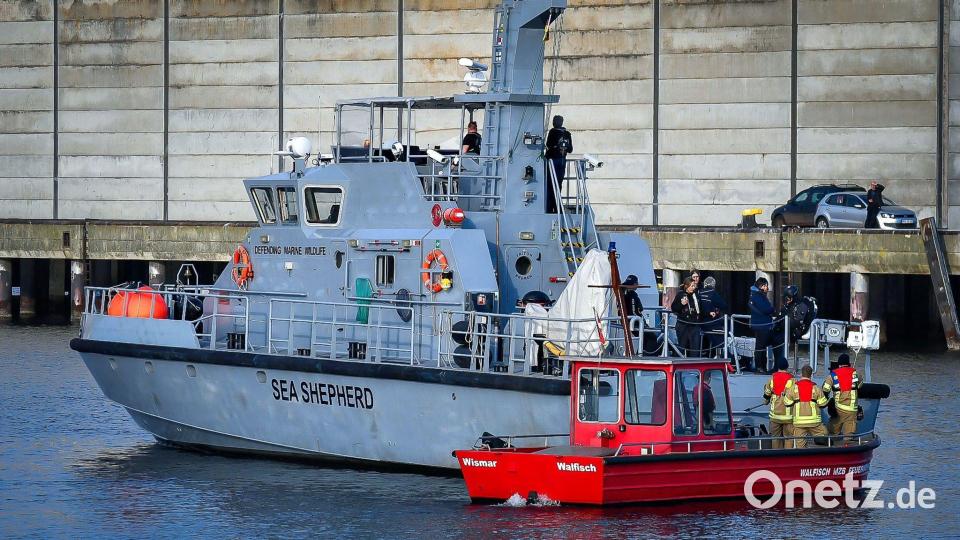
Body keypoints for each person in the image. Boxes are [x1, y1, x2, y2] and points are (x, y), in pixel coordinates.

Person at [783, 364, 829, 449]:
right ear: (811, 375)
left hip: (799, 423)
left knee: (800, 446)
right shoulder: (816, 388)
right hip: (814, 423)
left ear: (801, 374)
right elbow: (823, 404)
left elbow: (787, 403)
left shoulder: (793, 388)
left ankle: (802, 460)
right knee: (825, 435)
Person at [822, 353, 861, 443]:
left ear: (839, 364)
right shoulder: (856, 373)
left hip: (838, 409)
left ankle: (832, 450)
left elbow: (825, 390)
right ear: (849, 364)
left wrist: (828, 402)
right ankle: (847, 449)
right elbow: (859, 385)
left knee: (832, 432)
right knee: (849, 437)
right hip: (852, 410)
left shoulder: (832, 375)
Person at [749, 277, 785, 372]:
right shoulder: (758, 296)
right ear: (761, 286)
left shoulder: (756, 295)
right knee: (760, 347)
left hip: (762, 325)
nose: (767, 288)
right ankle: (760, 367)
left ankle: (765, 367)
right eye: (765, 285)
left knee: (762, 346)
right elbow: (766, 309)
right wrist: (773, 309)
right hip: (761, 326)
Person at [762, 358, 794, 449]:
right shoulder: (792, 380)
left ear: (777, 367)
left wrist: (766, 400)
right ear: (787, 367)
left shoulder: (772, 379)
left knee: (775, 438)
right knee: (788, 438)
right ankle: (788, 458)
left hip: (775, 416)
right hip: (788, 416)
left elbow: (767, 393)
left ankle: (777, 458)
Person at [545, 115, 573, 214]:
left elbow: (548, 145)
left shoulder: (552, 132)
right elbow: (570, 149)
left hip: (553, 161)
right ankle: (556, 207)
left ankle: (549, 207)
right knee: (558, 184)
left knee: (550, 184)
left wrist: (556, 147)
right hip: (562, 161)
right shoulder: (567, 134)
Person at [671, 277, 703, 357]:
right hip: (683, 324)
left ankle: (694, 365)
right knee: (681, 346)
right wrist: (682, 304)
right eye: (692, 286)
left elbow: (701, 307)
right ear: (686, 286)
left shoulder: (696, 295)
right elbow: (674, 308)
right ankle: (678, 364)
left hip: (694, 324)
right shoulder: (680, 294)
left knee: (695, 347)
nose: (694, 287)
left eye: (694, 285)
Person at [698, 276, 728, 357]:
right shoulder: (712, 293)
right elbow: (723, 305)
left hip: (699, 322)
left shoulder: (699, 292)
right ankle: (722, 355)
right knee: (722, 335)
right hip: (711, 322)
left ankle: (706, 352)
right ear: (713, 285)